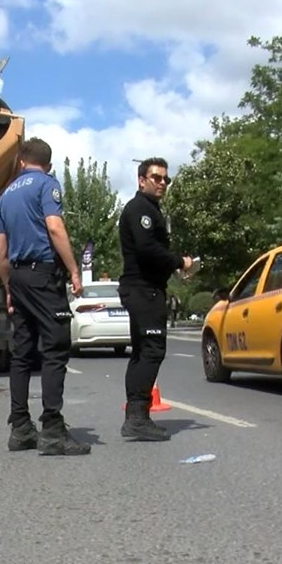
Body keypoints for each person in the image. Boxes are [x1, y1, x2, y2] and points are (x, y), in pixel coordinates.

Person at [0, 137, 89, 456]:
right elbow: (55, 228)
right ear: (47, 164)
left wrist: (9, 288)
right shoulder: (47, 184)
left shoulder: (5, 195)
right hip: (42, 274)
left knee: (22, 352)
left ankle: (20, 428)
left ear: (21, 161)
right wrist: (74, 270)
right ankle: (52, 429)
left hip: (19, 277)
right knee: (55, 346)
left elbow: (0, 250)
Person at [117, 157, 195, 441]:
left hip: (146, 288)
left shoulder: (151, 209)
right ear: (141, 180)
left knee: (143, 352)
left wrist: (173, 269)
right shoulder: (140, 209)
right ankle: (137, 417)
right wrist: (179, 261)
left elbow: (150, 253)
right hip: (143, 289)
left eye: (165, 179)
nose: (162, 182)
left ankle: (137, 416)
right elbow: (147, 248)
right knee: (150, 351)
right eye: (156, 177)